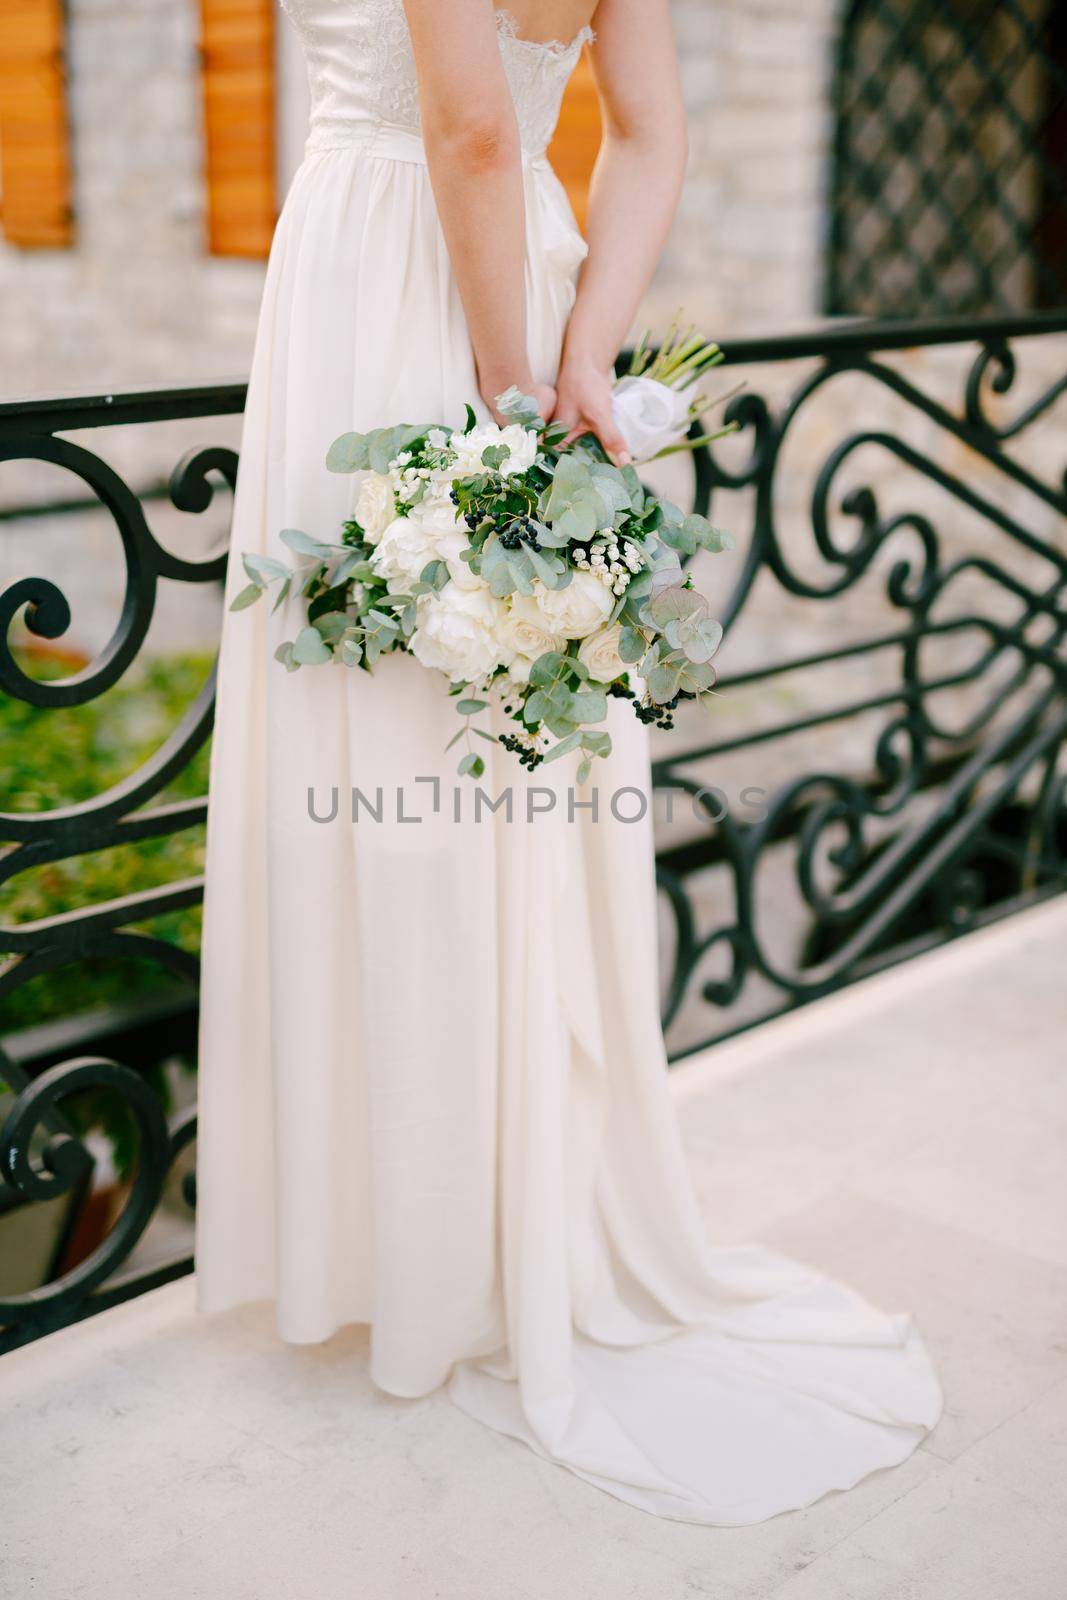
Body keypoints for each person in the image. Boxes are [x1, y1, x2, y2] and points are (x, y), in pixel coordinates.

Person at [195, 0, 941, 1524]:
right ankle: (494, 1223)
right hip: (521, 271)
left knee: (392, 746)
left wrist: (509, 397)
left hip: (393, 301)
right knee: (498, 774)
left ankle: (395, 1241)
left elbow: (465, 128)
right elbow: (650, 135)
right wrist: (582, 354)